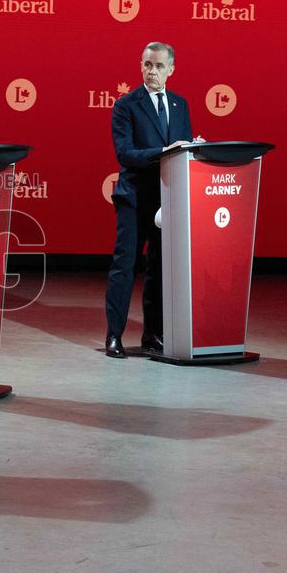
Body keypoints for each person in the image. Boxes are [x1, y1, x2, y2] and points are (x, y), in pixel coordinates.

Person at [105, 41, 193, 358]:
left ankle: (152, 335)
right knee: (124, 266)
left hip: (167, 198)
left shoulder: (181, 105)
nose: (151, 71)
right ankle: (113, 335)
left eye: (158, 66)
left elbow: (181, 152)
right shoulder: (126, 105)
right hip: (133, 196)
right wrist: (164, 153)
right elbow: (125, 154)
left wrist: (192, 149)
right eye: (146, 64)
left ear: (171, 69)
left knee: (158, 268)